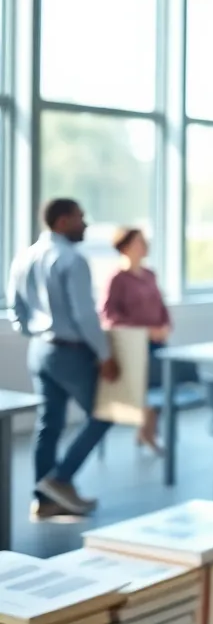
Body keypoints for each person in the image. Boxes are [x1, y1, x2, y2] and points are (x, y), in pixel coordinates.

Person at [7, 198, 120, 519]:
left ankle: (44, 501)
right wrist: (104, 354)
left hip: (40, 349)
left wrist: (36, 331)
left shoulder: (24, 257)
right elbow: (84, 315)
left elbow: (17, 311)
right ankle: (60, 479)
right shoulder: (72, 258)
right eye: (80, 218)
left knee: (49, 424)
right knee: (104, 414)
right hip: (70, 352)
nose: (85, 224)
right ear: (62, 221)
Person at [100, 227, 172, 453]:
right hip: (132, 344)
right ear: (126, 247)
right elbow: (109, 316)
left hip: (157, 342)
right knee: (145, 391)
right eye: (140, 242)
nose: (145, 245)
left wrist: (165, 326)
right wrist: (145, 331)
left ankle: (147, 431)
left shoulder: (150, 274)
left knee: (162, 385)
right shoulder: (117, 278)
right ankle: (147, 432)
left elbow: (160, 306)